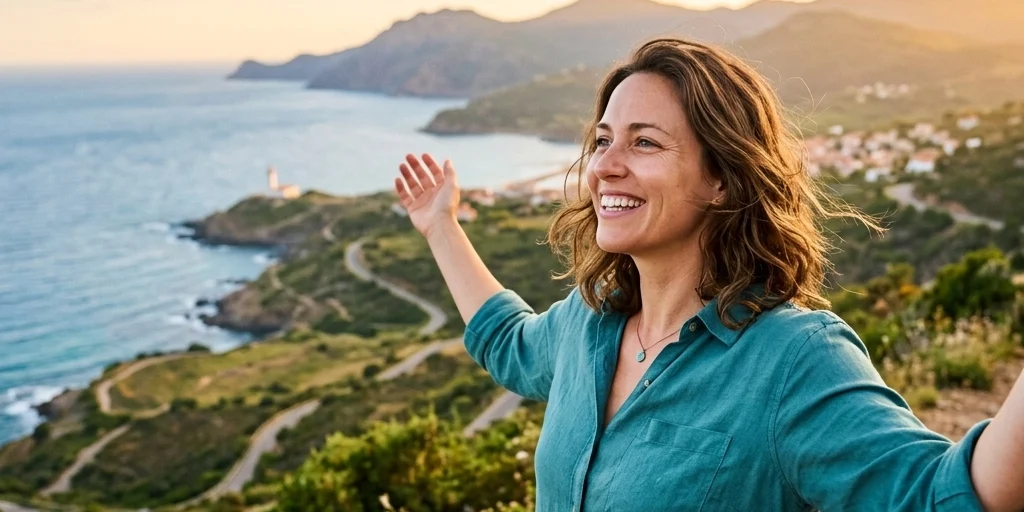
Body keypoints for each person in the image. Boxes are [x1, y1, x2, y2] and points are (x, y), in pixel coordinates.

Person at [392, 38, 1024, 511]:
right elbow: (507, 342)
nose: (605, 166)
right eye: (603, 140)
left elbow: (950, 494)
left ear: (722, 179)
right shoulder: (589, 323)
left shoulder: (793, 359)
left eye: (644, 143)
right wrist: (441, 225)